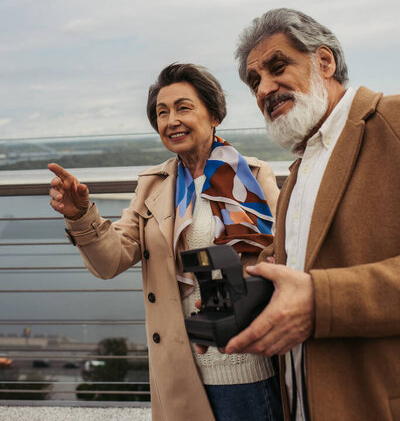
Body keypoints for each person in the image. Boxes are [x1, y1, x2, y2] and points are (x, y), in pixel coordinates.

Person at [48, 63, 283, 421]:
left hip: (247, 366)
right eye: (162, 112)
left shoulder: (253, 175)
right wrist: (81, 216)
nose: (171, 120)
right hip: (181, 369)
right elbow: (113, 260)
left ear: (214, 113)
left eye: (183, 108)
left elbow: (283, 252)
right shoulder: (153, 186)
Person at [225, 8, 400, 421]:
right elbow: (304, 270)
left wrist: (324, 301)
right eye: (254, 81)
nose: (265, 88)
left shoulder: (393, 122)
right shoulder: (302, 165)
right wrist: (238, 312)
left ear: (325, 61)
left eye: (277, 66)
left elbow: (316, 291)